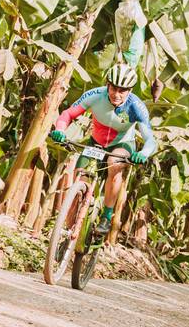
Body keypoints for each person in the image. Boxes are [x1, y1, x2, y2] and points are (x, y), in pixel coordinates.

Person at [50, 63, 157, 235]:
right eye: (113, 88)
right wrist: (60, 130)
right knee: (80, 177)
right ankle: (67, 233)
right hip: (95, 142)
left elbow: (150, 140)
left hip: (122, 145)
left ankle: (106, 217)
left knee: (114, 163)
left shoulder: (136, 107)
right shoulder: (95, 95)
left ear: (130, 90)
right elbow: (68, 114)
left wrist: (143, 153)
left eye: (122, 90)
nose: (116, 94)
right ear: (107, 84)